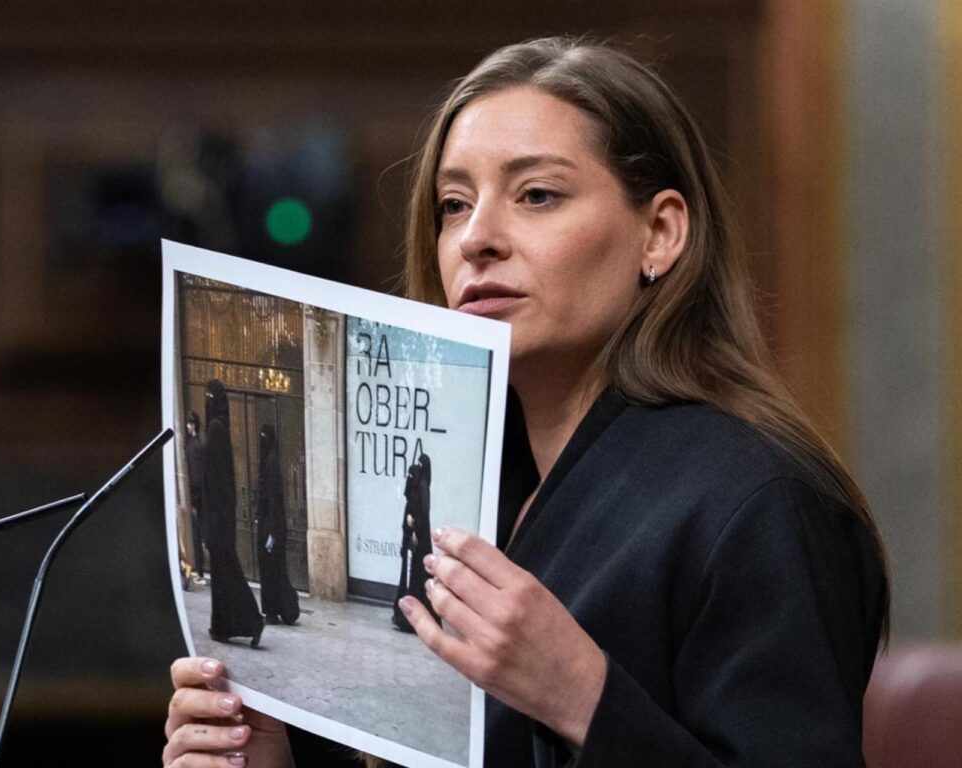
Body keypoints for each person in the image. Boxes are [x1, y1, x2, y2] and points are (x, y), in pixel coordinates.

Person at [164, 37, 888, 768]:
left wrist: (583, 696)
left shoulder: (761, 501)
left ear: (660, 233)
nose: (475, 239)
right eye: (454, 205)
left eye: (537, 194)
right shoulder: (483, 480)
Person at [202, 379, 265, 648]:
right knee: (223, 573)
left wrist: (212, 521)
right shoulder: (220, 428)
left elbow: (217, 482)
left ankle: (250, 620)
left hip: (218, 519)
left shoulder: (216, 429)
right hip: (220, 517)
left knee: (227, 572)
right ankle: (224, 626)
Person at [256, 423, 300, 626]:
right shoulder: (269, 462)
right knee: (273, 569)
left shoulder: (271, 465)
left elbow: (273, 501)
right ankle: (274, 609)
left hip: (271, 529)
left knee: (272, 569)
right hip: (270, 527)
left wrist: (271, 535)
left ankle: (277, 609)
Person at [392, 453, 437, 632]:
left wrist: (415, 527)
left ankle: (411, 616)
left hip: (417, 542)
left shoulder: (422, 487)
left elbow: (422, 513)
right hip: (412, 540)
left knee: (416, 576)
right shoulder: (417, 487)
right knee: (410, 575)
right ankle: (404, 613)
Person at [185, 410, 207, 585]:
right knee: (198, 534)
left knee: (197, 534)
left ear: (192, 425)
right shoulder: (196, 444)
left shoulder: (194, 446)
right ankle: (199, 570)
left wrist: (194, 498)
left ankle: (200, 570)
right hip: (198, 496)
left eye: (189, 423)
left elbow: (196, 475)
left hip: (196, 497)